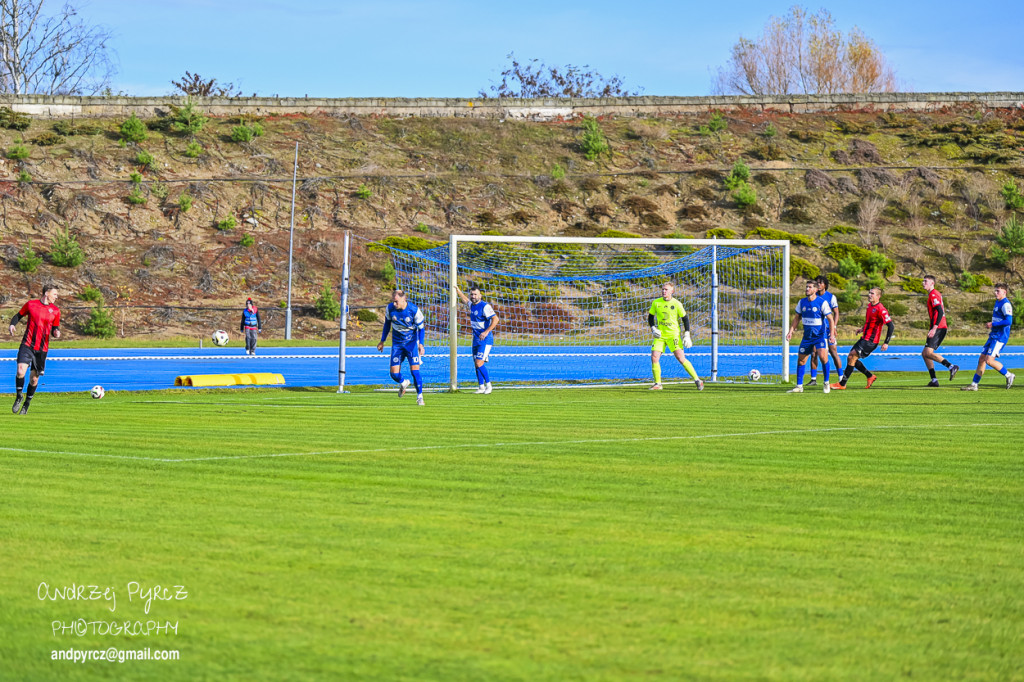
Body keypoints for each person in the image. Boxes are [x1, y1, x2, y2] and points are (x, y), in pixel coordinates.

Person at [9, 283, 61, 415]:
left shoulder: (55, 311)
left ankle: (26, 404)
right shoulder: (31, 305)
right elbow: (18, 316)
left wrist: (56, 332)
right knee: (20, 371)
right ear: (46, 293)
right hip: (27, 345)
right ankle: (19, 396)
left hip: (42, 349)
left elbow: (55, 328)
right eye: (55, 294)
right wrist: (12, 325)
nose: (56, 297)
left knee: (34, 379)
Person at [831, 287, 894, 389]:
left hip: (871, 341)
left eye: (872, 293)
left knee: (852, 357)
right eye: (869, 293)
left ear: (878, 296)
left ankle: (842, 384)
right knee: (851, 358)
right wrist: (862, 329)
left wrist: (886, 342)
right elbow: (871, 322)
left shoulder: (881, 309)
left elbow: (891, 326)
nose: (869, 295)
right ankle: (870, 376)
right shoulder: (869, 306)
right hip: (865, 338)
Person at [648, 281, 704, 391]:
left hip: (673, 335)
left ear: (672, 291)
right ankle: (658, 384)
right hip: (660, 336)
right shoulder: (656, 303)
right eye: (663, 289)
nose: (664, 291)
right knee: (654, 357)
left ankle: (697, 380)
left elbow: (685, 319)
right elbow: (650, 317)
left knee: (680, 358)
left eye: (666, 289)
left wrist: (687, 334)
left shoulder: (677, 304)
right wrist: (653, 328)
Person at [376, 288, 427, 405]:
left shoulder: (414, 310)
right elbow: (387, 325)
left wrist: (421, 344)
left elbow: (421, 329)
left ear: (404, 300)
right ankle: (404, 382)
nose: (394, 304)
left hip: (411, 345)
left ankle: (420, 397)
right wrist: (382, 341)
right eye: (393, 301)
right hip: (397, 345)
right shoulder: (390, 309)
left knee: (415, 371)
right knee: (394, 374)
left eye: (396, 301)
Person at [961, 283, 1015, 391]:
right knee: (981, 359)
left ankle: (1009, 375)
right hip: (993, 335)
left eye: (998, 291)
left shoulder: (1006, 304)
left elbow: (1009, 321)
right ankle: (974, 384)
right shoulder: (997, 302)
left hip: (1000, 337)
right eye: (995, 291)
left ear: (1004, 292)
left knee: (989, 360)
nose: (995, 293)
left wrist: (993, 324)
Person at [785, 280, 833, 393]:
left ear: (816, 289)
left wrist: (832, 334)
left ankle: (826, 383)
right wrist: (791, 331)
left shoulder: (822, 302)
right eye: (806, 287)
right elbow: (797, 318)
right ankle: (799, 386)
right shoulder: (802, 302)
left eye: (810, 287)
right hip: (807, 337)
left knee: (823, 357)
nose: (807, 289)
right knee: (801, 360)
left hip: (819, 336)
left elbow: (830, 319)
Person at [456, 285, 499, 394]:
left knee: (479, 363)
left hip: (485, 339)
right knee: (476, 363)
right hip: (476, 339)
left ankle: (489, 385)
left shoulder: (485, 306)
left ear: (480, 295)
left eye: (475, 294)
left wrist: (486, 332)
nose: (473, 296)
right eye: (472, 294)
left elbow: (496, 319)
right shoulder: (471, 305)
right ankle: (481, 387)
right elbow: (465, 300)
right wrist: (458, 290)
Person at [921, 275, 958, 387]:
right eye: (923, 281)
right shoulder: (933, 294)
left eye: (926, 281)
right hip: (938, 326)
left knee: (928, 352)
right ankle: (934, 380)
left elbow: (940, 311)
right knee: (925, 354)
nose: (923, 283)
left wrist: (934, 327)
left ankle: (951, 366)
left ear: (932, 283)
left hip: (939, 327)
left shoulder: (933, 294)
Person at [808, 275, 841, 384]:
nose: (818, 284)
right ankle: (813, 379)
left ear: (825, 285)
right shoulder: (813, 296)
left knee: (833, 351)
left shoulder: (831, 297)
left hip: (828, 330)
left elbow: (836, 312)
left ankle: (841, 377)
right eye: (816, 282)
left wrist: (834, 327)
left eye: (820, 283)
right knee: (814, 353)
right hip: (817, 331)